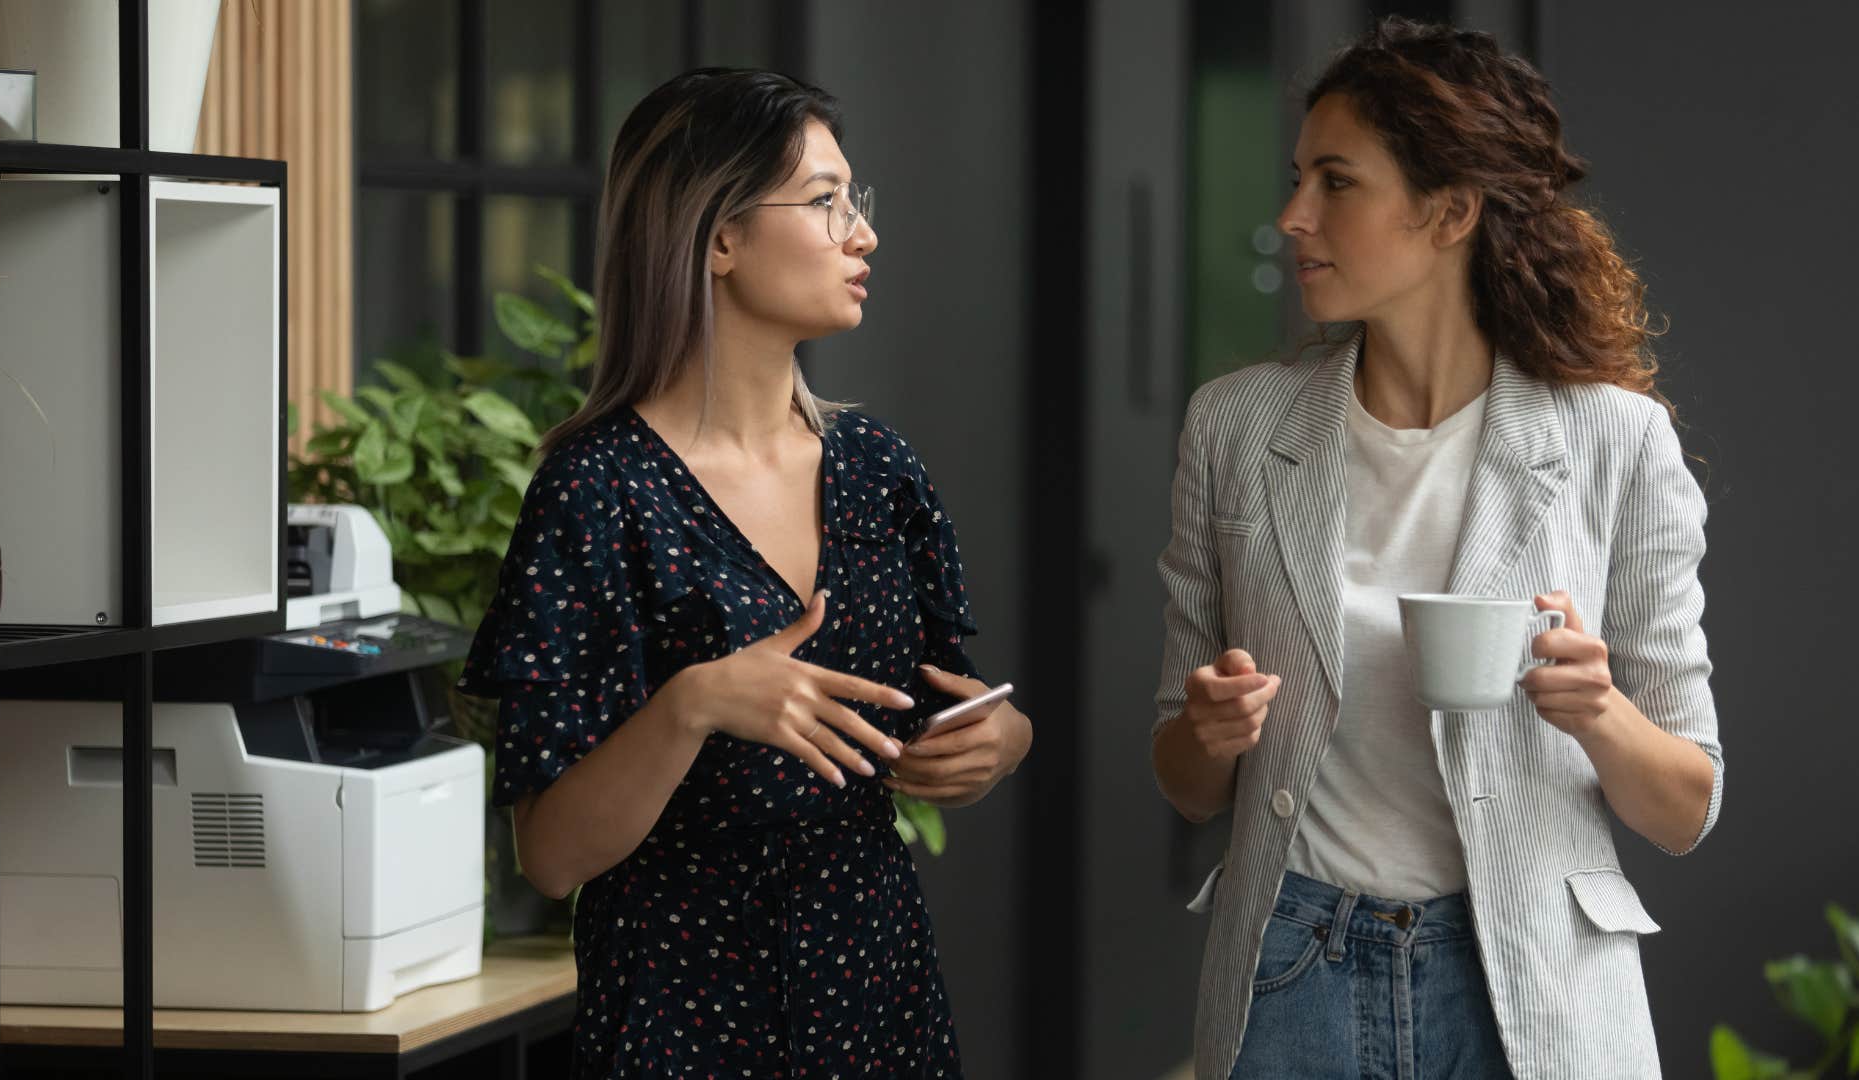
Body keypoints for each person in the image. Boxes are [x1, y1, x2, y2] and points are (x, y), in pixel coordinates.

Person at [1151, 19, 1722, 1079]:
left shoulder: (1612, 439)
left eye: (1336, 182)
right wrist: (1209, 727)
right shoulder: (1232, 426)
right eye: (1297, 178)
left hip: (1532, 982)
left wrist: (1599, 714)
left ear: (1450, 210)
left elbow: (1687, 805)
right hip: (1292, 967)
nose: (1292, 217)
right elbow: (1185, 783)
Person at [458, 68, 1032, 1079]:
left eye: (856, 201)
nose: (863, 235)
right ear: (716, 237)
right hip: (680, 1020)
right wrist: (695, 704)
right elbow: (549, 855)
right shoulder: (596, 493)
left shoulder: (879, 469)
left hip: (876, 994)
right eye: (824, 202)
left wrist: (997, 744)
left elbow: (954, 701)